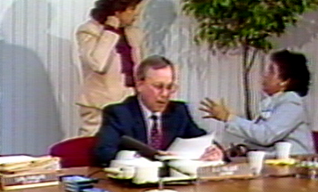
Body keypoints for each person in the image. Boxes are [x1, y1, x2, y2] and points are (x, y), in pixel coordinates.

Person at [94, 55, 223, 166]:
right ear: (139, 85)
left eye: (170, 87)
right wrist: (147, 157)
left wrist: (214, 150)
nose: (165, 94)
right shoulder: (119, 113)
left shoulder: (178, 111)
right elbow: (104, 153)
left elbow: (200, 139)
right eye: (158, 87)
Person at [200, 50, 315, 156]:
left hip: (293, 165)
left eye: (271, 71)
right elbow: (263, 139)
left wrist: (228, 117)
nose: (265, 75)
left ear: (285, 81)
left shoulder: (291, 103)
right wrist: (243, 148)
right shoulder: (274, 102)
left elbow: (266, 135)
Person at [76, 0, 146, 136]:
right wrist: (110, 30)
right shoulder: (89, 31)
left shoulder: (134, 33)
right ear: (118, 9)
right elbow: (97, 63)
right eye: (132, 8)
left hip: (130, 104)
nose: (136, 14)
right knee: (95, 149)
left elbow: (141, 69)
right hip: (100, 106)